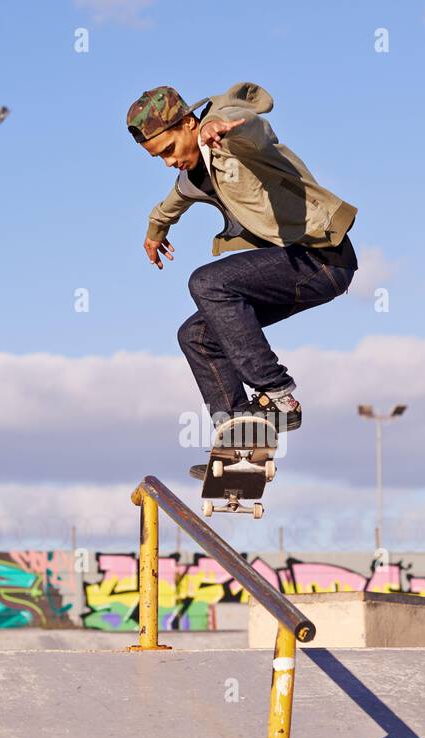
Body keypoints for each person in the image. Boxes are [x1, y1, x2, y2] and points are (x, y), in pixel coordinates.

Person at [126, 82, 358, 480]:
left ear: (187, 124)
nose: (167, 162)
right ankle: (240, 442)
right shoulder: (192, 175)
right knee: (196, 336)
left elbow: (258, 129)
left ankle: (278, 395)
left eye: (168, 150)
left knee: (208, 283)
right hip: (294, 269)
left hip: (323, 257)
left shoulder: (232, 138)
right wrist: (155, 231)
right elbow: (170, 204)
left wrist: (218, 125)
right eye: (157, 158)